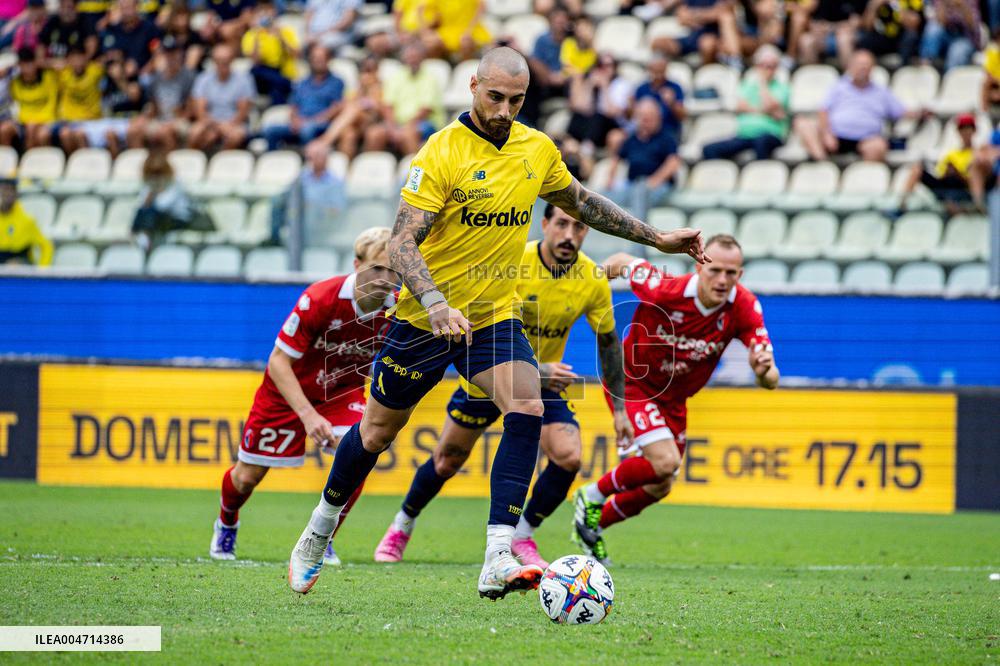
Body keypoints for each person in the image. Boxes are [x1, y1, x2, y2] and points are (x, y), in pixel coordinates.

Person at [286, 46, 709, 600]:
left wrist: (656, 237)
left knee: (528, 405)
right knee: (375, 434)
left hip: (491, 318)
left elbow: (582, 202)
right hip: (423, 318)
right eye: (496, 97)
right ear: (472, 86)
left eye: (516, 100)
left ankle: (496, 555)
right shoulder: (441, 153)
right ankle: (316, 533)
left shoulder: (537, 150)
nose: (505, 109)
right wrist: (436, 303)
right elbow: (402, 241)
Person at [372, 204, 632, 567]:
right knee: (447, 460)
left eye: (579, 227)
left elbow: (609, 343)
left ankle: (522, 536)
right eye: (561, 224)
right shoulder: (512, 263)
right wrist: (538, 369)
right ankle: (402, 525)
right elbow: (476, 324)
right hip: (488, 373)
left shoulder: (591, 278)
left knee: (569, 456)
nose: (569, 235)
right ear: (544, 224)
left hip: (539, 388)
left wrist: (619, 409)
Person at [573, 235, 779, 564]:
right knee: (665, 461)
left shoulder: (744, 306)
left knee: (661, 484)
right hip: (634, 383)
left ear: (740, 274)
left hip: (673, 398)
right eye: (715, 270)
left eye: (731, 273)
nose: (722, 280)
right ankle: (592, 494)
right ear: (699, 266)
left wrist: (762, 372)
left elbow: (770, 378)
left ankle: (592, 525)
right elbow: (624, 260)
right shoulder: (665, 289)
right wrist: (584, 289)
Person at [210, 228, 399, 565]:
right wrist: (308, 416)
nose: (386, 279)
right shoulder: (322, 298)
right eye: (377, 269)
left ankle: (321, 537)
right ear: (357, 265)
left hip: (341, 393)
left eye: (393, 271)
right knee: (246, 477)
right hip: (285, 393)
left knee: (358, 453)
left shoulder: (398, 311)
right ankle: (226, 522)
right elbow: (278, 361)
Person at [794, 49, 909, 162]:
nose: (863, 68)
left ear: (872, 68)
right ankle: (822, 163)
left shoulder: (882, 92)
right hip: (836, 136)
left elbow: (900, 111)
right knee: (802, 123)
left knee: (879, 146)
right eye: (860, 64)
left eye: (866, 65)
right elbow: (823, 110)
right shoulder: (839, 87)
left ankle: (863, 177)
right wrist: (827, 134)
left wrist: (920, 112)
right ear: (850, 67)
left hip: (866, 139)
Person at [702, 44, 789, 161]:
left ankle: (759, 177)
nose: (767, 69)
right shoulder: (748, 85)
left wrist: (762, 84)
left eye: (771, 66)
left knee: (761, 142)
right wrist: (764, 111)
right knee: (709, 149)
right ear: (757, 66)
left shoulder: (782, 88)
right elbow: (739, 106)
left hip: (770, 134)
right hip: (745, 135)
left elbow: (769, 106)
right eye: (764, 65)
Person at [606, 98, 682, 222]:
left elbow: (673, 162)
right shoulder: (632, 138)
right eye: (643, 117)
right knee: (600, 197)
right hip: (631, 185)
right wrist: (610, 179)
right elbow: (617, 158)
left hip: (659, 187)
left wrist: (654, 181)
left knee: (640, 191)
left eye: (650, 117)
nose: (646, 121)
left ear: (658, 117)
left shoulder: (666, 137)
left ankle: (639, 239)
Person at [898, 113, 987, 213]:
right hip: (947, 185)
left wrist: (958, 173)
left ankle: (972, 204)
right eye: (962, 129)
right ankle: (902, 203)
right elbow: (940, 174)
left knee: (955, 179)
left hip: (964, 188)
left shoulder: (978, 153)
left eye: (968, 128)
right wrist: (948, 172)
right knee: (917, 169)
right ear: (958, 132)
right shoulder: (951, 154)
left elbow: (974, 178)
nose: (965, 132)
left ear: (974, 130)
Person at [264, 43, 344, 150]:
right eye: (314, 58)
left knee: (307, 130)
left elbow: (336, 108)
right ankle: (273, 162)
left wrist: (313, 121)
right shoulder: (301, 83)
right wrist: (295, 120)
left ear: (328, 60)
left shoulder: (336, 82)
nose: (317, 61)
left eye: (321, 58)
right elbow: (293, 106)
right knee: (270, 130)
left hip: (321, 124)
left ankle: (309, 162)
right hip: (300, 122)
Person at [269, 141, 346, 246]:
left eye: (315, 157)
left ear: (325, 159)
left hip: (320, 218)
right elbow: (289, 192)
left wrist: (314, 206)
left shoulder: (335, 182)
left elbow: (337, 209)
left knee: (309, 211)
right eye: (309, 157)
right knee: (277, 200)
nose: (311, 161)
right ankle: (274, 240)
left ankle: (303, 245)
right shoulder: (303, 175)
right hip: (298, 212)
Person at [377, 40, 444, 155]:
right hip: (398, 123)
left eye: (416, 57)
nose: (412, 60)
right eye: (409, 57)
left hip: (425, 122)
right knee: (374, 134)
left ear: (422, 58)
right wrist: (392, 128)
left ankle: (413, 170)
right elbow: (388, 106)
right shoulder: (397, 76)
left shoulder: (430, 78)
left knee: (409, 134)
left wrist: (404, 128)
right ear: (404, 59)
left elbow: (425, 110)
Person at [130, 35, 195, 151]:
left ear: (180, 53)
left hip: (181, 120)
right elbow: (153, 106)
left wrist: (174, 120)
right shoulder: (156, 78)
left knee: (166, 132)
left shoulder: (189, 77)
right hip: (160, 118)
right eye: (167, 53)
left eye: (173, 52)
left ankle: (167, 167)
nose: (170, 56)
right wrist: (144, 118)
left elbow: (191, 110)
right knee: (134, 129)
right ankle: (142, 165)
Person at [188, 44, 255, 150]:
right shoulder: (204, 79)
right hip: (210, 122)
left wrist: (227, 126)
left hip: (235, 124)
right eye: (219, 60)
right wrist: (216, 126)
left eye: (226, 60)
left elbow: (243, 111)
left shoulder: (244, 80)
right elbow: (200, 110)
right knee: (194, 133)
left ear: (232, 60)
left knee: (234, 136)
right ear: (214, 61)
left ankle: (223, 163)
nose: (223, 63)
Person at [131, 149, 200, 251]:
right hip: (158, 219)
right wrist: (150, 196)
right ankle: (140, 238)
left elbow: (163, 206)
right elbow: (141, 205)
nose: (156, 177)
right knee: (143, 212)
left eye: (158, 173)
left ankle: (144, 242)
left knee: (150, 212)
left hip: (178, 219)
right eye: (152, 174)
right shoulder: (148, 185)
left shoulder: (176, 184)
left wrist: (155, 193)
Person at [241, 0, 300, 105]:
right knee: (255, 71)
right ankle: (284, 86)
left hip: (282, 72)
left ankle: (276, 110)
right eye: (262, 10)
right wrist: (257, 35)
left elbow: (296, 55)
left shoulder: (286, 31)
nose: (266, 13)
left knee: (277, 88)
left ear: (275, 12)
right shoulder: (251, 34)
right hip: (263, 74)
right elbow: (256, 61)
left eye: (269, 10)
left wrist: (281, 37)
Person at [0, 47, 57, 149]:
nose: (26, 68)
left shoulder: (49, 77)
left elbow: (52, 103)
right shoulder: (15, 82)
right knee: (4, 130)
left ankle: (30, 160)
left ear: (36, 63)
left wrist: (37, 121)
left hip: (46, 119)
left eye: (29, 63)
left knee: (40, 134)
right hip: (23, 121)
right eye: (23, 64)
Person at [56, 43, 104, 153]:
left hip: (91, 120)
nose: (77, 62)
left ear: (85, 58)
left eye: (80, 58)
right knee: (65, 134)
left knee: (80, 134)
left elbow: (105, 63)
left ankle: (86, 163)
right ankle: (72, 162)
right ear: (68, 60)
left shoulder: (95, 71)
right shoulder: (63, 74)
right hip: (70, 120)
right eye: (73, 59)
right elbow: (39, 64)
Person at [787, 0, 863, 67]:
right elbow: (814, 22)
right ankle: (814, 77)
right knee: (806, 41)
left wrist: (832, 27)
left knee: (843, 39)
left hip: (848, 34)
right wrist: (818, 28)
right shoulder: (820, 2)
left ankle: (849, 78)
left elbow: (856, 23)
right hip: (825, 35)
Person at [0, 176, 52, 265]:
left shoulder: (27, 220)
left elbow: (46, 246)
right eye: (4, 190)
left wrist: (42, 271)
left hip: (20, 266)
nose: (7, 194)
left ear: (16, 194)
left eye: (11, 190)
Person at [633, 56, 685, 143]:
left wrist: (672, 103)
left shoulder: (675, 88)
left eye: (661, 71)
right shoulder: (641, 89)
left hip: (668, 131)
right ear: (649, 70)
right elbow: (633, 116)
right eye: (655, 71)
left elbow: (682, 116)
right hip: (644, 131)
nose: (658, 75)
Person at [919, 0, 981, 70]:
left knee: (957, 50)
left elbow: (973, 26)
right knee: (932, 27)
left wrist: (962, 5)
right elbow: (941, 21)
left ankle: (949, 77)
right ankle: (926, 64)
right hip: (947, 35)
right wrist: (944, 3)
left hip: (966, 38)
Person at [856, 0, 923, 63]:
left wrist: (895, 4)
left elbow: (913, 23)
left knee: (911, 36)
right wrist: (873, 7)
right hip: (881, 37)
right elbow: (867, 27)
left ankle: (902, 69)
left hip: (900, 38)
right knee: (862, 40)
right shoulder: (877, 2)